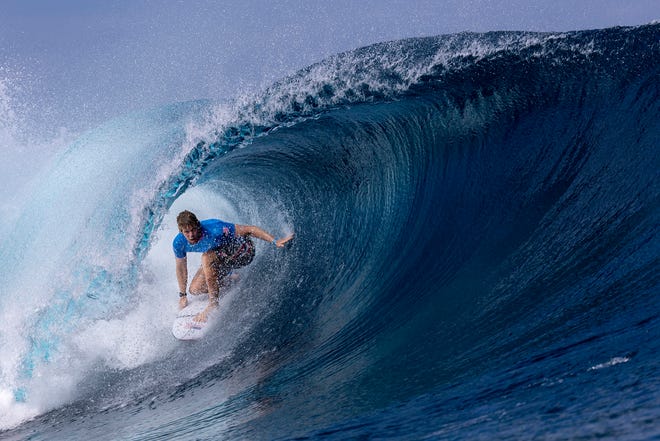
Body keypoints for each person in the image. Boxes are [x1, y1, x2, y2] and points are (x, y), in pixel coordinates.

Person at [173, 210, 294, 322]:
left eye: (193, 230)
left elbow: (249, 229)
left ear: (198, 225)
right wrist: (183, 295)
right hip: (222, 257)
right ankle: (229, 278)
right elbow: (181, 268)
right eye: (186, 232)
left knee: (206, 257)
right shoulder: (179, 243)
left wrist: (275, 241)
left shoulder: (215, 228)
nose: (191, 235)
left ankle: (213, 304)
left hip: (244, 251)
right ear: (181, 231)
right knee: (195, 289)